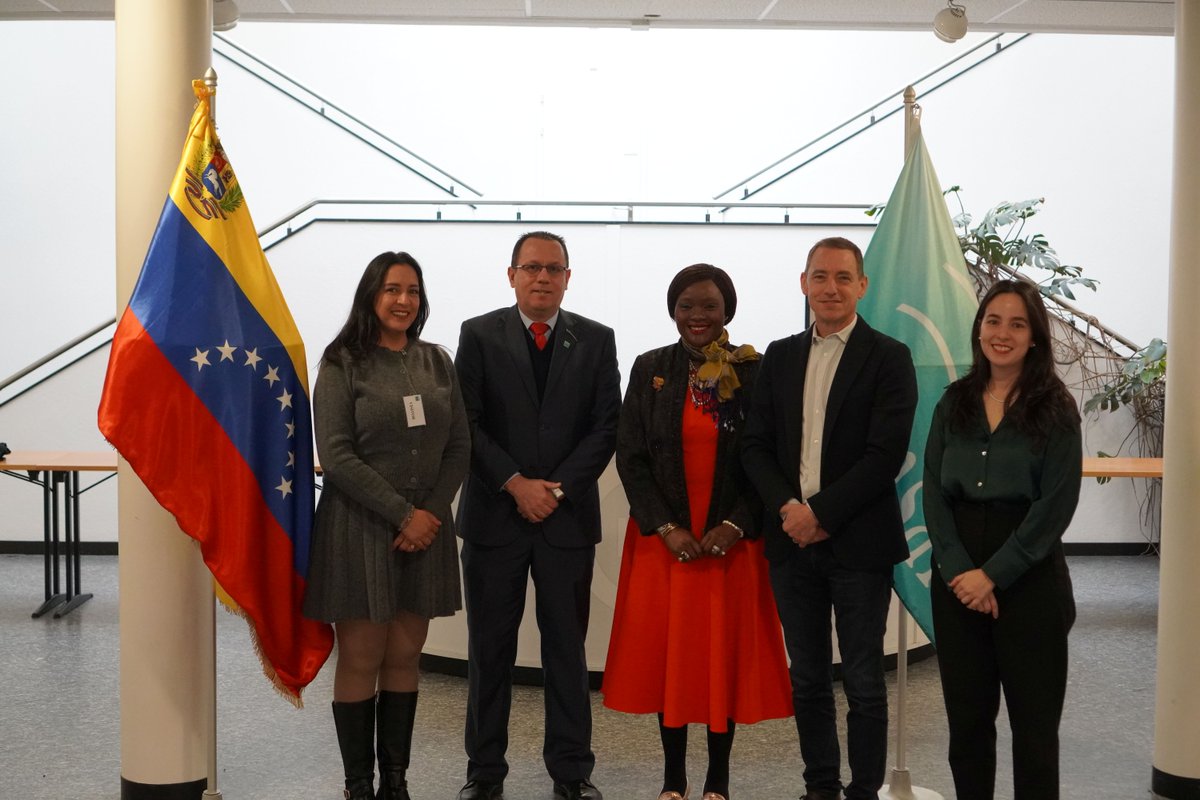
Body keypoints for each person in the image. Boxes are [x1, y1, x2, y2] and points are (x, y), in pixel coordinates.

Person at [601, 264, 793, 800]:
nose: (697, 316)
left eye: (709, 305)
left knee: (719, 661)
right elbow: (630, 455)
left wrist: (734, 523)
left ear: (727, 309)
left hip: (731, 546)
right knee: (673, 661)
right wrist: (666, 526)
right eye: (686, 305)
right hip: (667, 547)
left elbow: (766, 457)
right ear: (673, 311)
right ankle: (672, 780)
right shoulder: (651, 368)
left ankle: (718, 781)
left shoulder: (754, 372)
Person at [741, 237, 917, 800]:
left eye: (843, 277)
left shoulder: (890, 356)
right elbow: (756, 446)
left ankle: (864, 790)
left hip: (859, 544)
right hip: (792, 544)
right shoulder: (780, 355)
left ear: (862, 286)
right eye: (820, 277)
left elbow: (884, 456)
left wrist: (820, 513)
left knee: (864, 680)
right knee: (808, 678)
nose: (831, 288)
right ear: (804, 284)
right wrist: (790, 512)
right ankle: (820, 785)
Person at [453, 231, 621, 800]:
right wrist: (515, 484)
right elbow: (466, 424)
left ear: (568, 278)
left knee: (566, 653)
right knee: (490, 651)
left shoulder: (597, 340)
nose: (542, 277)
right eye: (531, 268)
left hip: (566, 523)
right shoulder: (477, 335)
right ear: (512, 275)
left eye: (554, 268)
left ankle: (572, 773)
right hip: (494, 521)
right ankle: (484, 773)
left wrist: (557, 490)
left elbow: (606, 428)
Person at [303, 251, 470, 800]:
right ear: (371, 295)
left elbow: (459, 446)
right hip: (360, 528)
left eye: (413, 292)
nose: (404, 301)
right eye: (392, 289)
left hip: (426, 530)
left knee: (404, 654)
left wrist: (430, 514)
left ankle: (395, 782)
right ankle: (359, 785)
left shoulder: (437, 361)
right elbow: (337, 454)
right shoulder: (341, 362)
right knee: (361, 656)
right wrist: (404, 515)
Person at [923, 279, 1082, 800]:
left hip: (1030, 576)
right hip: (957, 575)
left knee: (1035, 733)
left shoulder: (1056, 408)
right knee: (967, 730)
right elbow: (933, 494)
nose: (1003, 333)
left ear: (1035, 335)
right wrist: (959, 572)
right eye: (993, 320)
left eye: (1017, 323)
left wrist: (992, 575)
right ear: (979, 329)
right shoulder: (955, 402)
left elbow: (1056, 505)